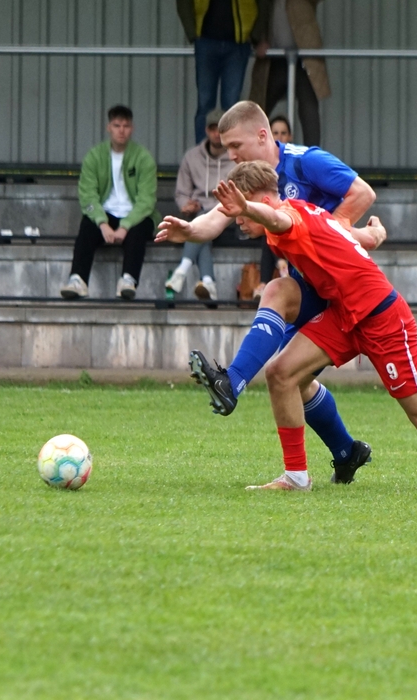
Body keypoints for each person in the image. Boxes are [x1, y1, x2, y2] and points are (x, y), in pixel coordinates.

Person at [213, 161, 417, 491]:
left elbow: (278, 218)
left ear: (263, 201)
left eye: (241, 210)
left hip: (381, 316)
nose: (237, 219)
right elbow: (338, 238)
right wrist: (373, 233)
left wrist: (251, 209)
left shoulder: (286, 216)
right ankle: (296, 477)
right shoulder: (300, 212)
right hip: (344, 315)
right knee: (281, 374)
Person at [156, 100, 385, 483]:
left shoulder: (306, 162)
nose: (229, 154)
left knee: (279, 302)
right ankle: (347, 451)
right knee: (291, 376)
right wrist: (190, 231)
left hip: (340, 287)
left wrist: (336, 232)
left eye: (235, 146)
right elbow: (218, 216)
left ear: (263, 136)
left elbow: (363, 193)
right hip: (311, 282)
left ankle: (233, 384)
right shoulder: (253, 177)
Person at [60, 105, 158, 300]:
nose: (121, 130)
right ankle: (78, 280)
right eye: (117, 125)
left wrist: (125, 226)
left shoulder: (143, 157)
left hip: (134, 215)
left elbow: (147, 199)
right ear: (108, 128)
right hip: (106, 213)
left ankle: (128, 280)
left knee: (140, 228)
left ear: (132, 128)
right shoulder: (94, 156)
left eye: (126, 126)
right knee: (87, 226)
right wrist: (102, 223)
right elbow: (87, 194)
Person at [165, 108, 235, 303]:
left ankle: (182, 270)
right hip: (198, 216)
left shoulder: (236, 157)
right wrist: (185, 205)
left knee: (200, 225)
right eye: (213, 129)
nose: (216, 134)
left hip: (227, 219)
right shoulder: (192, 157)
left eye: (220, 130)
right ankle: (208, 283)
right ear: (206, 130)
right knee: (200, 226)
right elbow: (181, 193)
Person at [177, 0, 264, 143]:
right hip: (206, 41)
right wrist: (192, 32)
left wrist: (255, 34)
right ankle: (202, 155)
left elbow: (265, 4)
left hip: (238, 43)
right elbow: (183, 3)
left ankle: (230, 155)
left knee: (232, 105)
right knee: (204, 104)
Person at [250, 0, 328, 147]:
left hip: (303, 62)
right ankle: (252, 156)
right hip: (272, 61)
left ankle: (313, 159)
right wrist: (257, 41)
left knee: (309, 110)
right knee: (257, 110)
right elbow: (255, 19)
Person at [255, 114, 293, 299]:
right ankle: (281, 267)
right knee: (268, 225)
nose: (279, 137)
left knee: (272, 225)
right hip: (266, 222)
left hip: (291, 219)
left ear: (290, 137)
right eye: (275, 133)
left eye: (283, 133)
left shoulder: (296, 163)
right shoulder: (260, 166)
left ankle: (263, 283)